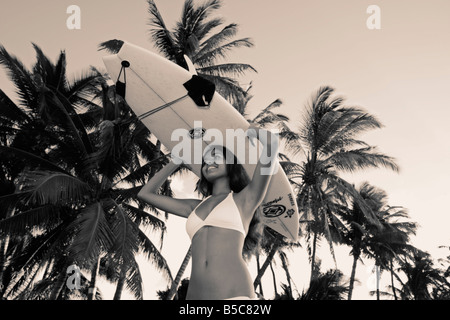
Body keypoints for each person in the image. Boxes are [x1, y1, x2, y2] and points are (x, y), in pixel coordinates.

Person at [137, 125, 279, 300]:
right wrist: (176, 161)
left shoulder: (246, 199)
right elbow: (145, 194)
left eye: (216, 157)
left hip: (234, 296)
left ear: (231, 165)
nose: (209, 162)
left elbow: (272, 144)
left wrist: (252, 131)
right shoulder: (193, 207)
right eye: (205, 161)